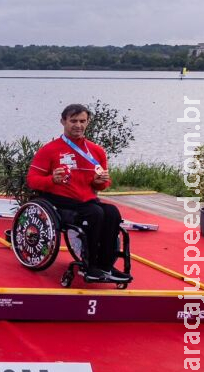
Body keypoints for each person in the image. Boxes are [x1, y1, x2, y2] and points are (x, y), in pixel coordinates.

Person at [26, 103, 129, 282]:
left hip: (86, 200)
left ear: (88, 122)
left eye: (82, 121)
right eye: (73, 121)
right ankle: (89, 266)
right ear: (63, 121)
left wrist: (100, 183)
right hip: (59, 202)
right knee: (95, 213)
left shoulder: (96, 151)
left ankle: (105, 266)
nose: (78, 125)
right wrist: (52, 180)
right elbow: (32, 180)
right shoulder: (49, 150)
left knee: (112, 212)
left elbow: (103, 184)